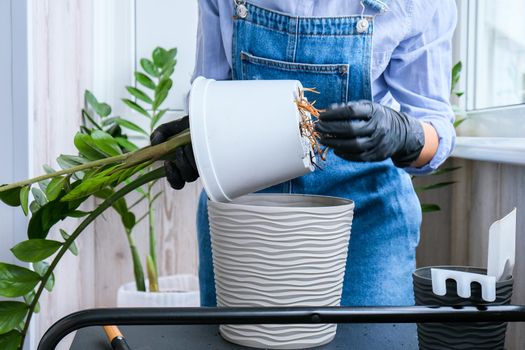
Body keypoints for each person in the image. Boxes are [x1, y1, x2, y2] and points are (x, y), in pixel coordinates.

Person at [151, 0, 457, 307]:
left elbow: (434, 126)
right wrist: (196, 136)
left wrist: (405, 134)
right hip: (244, 217)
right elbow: (211, 91)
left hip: (366, 226)